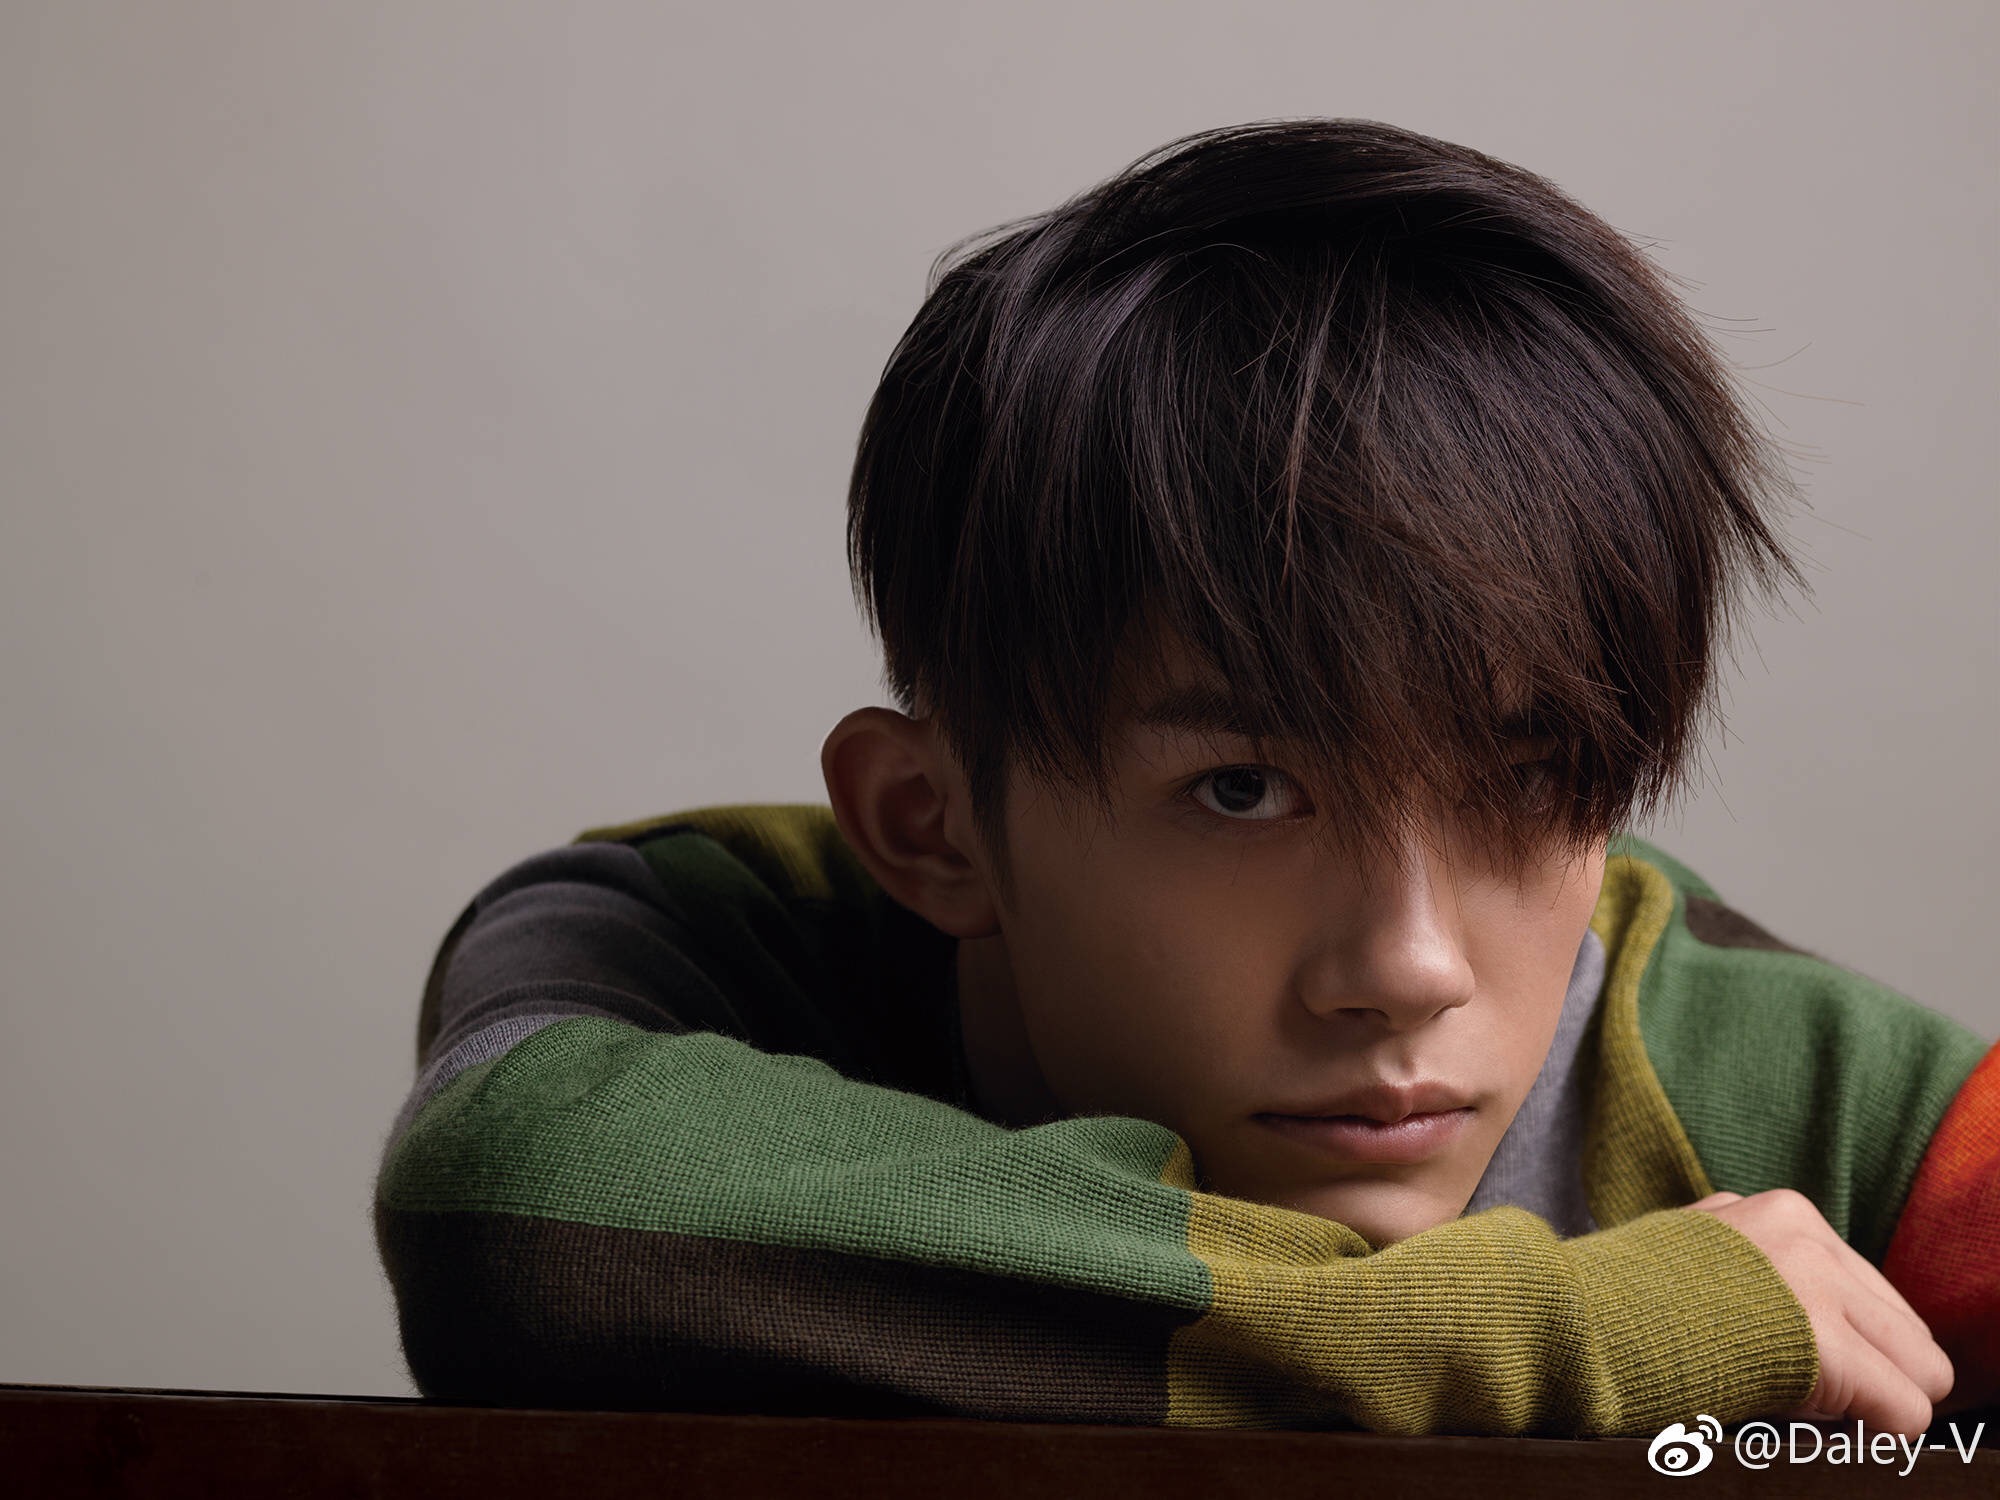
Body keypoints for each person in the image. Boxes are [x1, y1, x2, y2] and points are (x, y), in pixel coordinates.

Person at [373, 118, 1997, 1436]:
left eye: (1526, 778)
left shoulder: (1806, 1088)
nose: (1408, 968)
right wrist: (1577, 1332)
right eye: (1244, 790)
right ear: (932, 827)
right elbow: (514, 1219)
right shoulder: (696, 944)